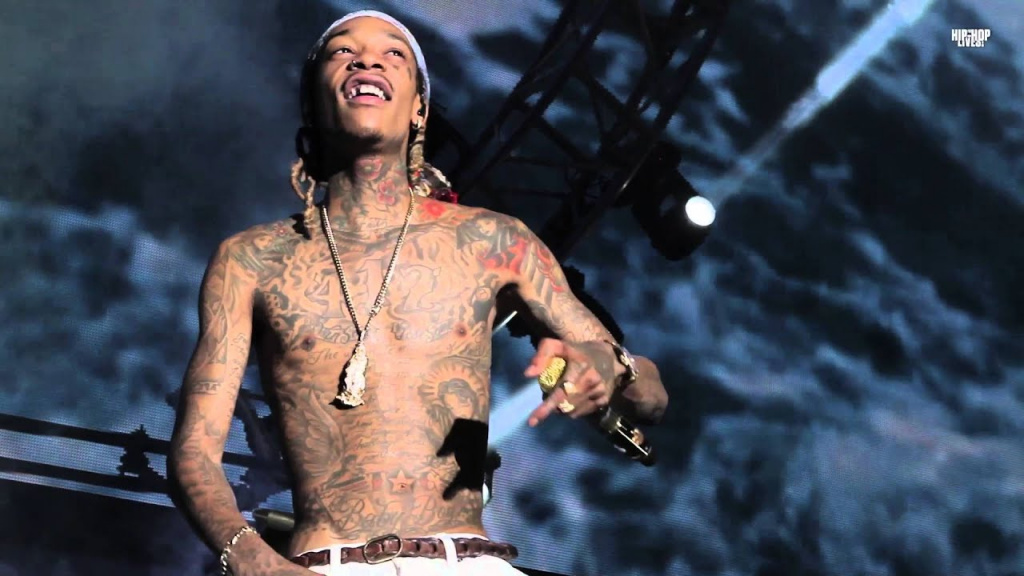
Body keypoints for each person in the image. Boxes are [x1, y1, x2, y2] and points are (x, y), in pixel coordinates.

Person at [169, 10, 669, 576]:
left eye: (394, 54)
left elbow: (650, 400)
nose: (366, 59)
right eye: (342, 51)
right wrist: (250, 558)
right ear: (313, 103)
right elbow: (195, 452)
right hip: (328, 562)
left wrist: (611, 365)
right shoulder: (250, 260)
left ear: (419, 110)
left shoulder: (495, 241)